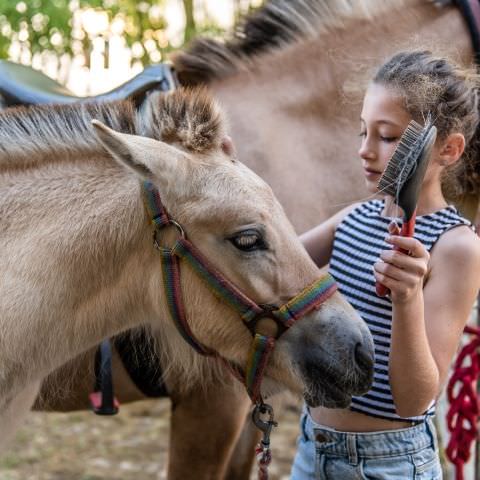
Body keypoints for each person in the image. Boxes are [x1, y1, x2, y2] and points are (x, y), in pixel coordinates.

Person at [291, 50, 480, 479]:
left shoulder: (457, 248)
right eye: (363, 132)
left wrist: (407, 299)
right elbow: (267, 272)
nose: (364, 150)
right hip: (311, 448)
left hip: (390, 462)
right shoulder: (352, 219)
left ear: (448, 149)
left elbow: (415, 400)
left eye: (388, 137)